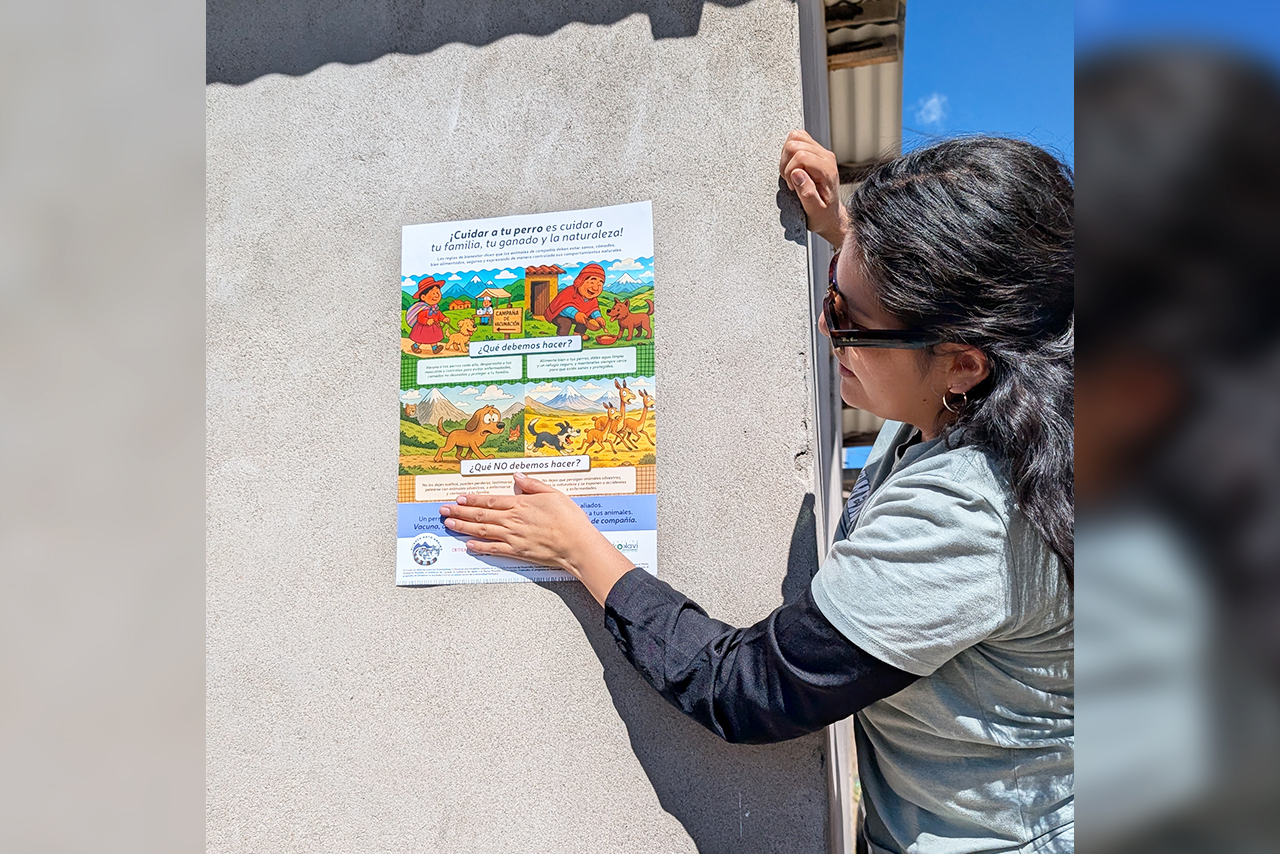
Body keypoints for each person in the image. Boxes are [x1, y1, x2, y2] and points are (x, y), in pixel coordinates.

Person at [440, 133, 1075, 854]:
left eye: (846, 318)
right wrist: (844, 228)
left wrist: (580, 549)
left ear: (963, 362)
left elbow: (748, 687)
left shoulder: (971, 513)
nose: (821, 324)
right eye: (833, 289)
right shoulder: (1016, 375)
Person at [544, 262, 607, 338]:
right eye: (592, 282)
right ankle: (561, 338)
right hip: (559, 315)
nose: (595, 288)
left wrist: (598, 317)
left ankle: (578, 334)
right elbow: (564, 307)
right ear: (581, 281)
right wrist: (575, 314)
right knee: (566, 323)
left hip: (578, 316)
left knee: (585, 319)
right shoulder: (569, 291)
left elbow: (593, 309)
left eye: (600, 285)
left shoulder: (593, 299)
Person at [406, 277, 449, 354]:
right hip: (424, 328)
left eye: (437, 292)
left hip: (434, 326)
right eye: (433, 293)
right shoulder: (423, 309)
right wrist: (427, 321)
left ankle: (435, 348)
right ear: (423, 297)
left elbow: (439, 315)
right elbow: (420, 318)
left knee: (433, 338)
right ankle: (415, 346)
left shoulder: (435, 308)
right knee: (421, 338)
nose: (436, 295)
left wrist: (444, 319)